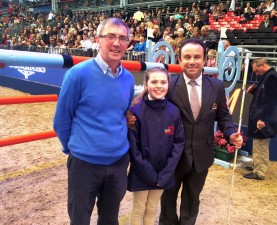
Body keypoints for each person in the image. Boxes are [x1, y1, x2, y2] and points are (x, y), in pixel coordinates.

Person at [53, 18, 135, 225]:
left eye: (122, 38)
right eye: (111, 36)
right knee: (79, 219)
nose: (116, 43)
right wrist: (75, 149)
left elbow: (122, 113)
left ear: (128, 43)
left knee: (110, 219)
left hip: (118, 163)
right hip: (84, 164)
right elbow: (62, 120)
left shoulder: (128, 79)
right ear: (98, 40)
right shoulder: (77, 75)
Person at [159, 38, 243, 225]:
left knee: (192, 201)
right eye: (187, 57)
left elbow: (224, 117)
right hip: (172, 157)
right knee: (168, 201)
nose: (192, 61)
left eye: (197, 57)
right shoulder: (168, 86)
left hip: (202, 156)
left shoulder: (217, 86)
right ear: (179, 60)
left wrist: (230, 133)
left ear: (205, 60)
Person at [128, 67, 185, 225]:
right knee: (139, 208)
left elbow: (179, 142)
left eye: (163, 82)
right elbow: (133, 147)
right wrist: (149, 173)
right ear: (146, 84)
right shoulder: (136, 111)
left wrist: (166, 172)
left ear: (168, 84)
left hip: (163, 172)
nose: (159, 86)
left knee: (152, 208)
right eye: (154, 82)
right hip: (142, 172)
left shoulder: (173, 111)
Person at [244, 58, 277, 180]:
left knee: (261, 144)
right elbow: (263, 95)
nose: (256, 73)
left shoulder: (271, 77)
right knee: (257, 143)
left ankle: (259, 172)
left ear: (262, 64)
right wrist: (254, 90)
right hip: (259, 116)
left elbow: (271, 101)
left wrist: (263, 119)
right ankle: (256, 165)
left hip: (264, 119)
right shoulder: (266, 77)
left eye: (256, 70)